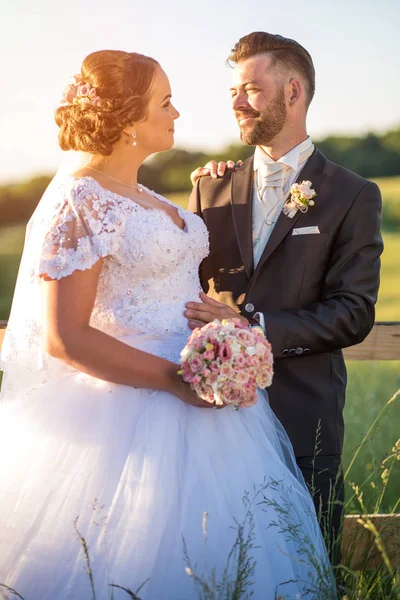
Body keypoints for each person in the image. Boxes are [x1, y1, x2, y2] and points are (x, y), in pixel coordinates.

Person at [0, 50, 336, 600]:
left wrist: (225, 337)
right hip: (132, 410)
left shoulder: (155, 198)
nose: (177, 112)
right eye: (165, 101)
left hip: (214, 408)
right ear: (130, 119)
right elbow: (66, 338)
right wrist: (177, 382)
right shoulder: (80, 200)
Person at [186, 31, 383, 561]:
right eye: (233, 90)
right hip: (212, 414)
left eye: (250, 88)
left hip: (304, 416)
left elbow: (354, 312)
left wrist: (254, 327)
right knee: (216, 561)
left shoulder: (352, 194)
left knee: (308, 562)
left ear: (293, 91)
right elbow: (183, 290)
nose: (235, 101)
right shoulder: (211, 186)